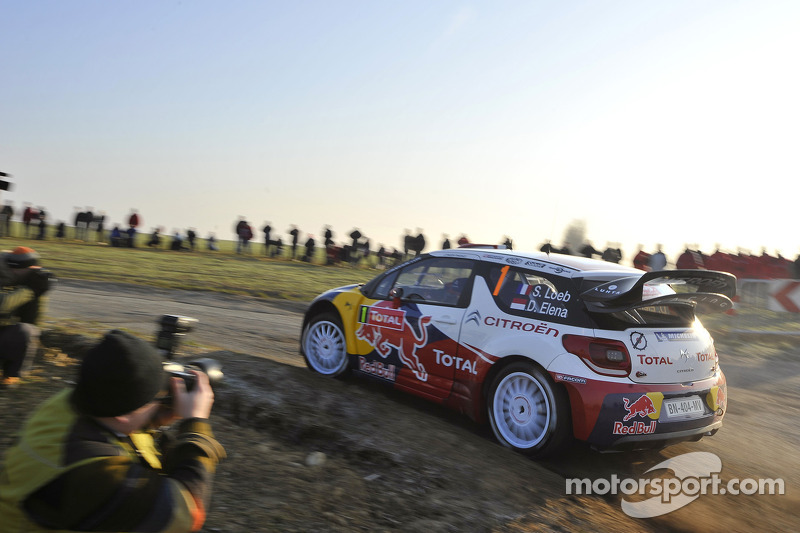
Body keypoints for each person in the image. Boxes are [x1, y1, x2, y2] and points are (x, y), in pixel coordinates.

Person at [0, 329, 226, 531]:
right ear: (124, 413)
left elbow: (123, 430)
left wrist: (153, 422)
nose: (160, 402)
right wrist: (195, 424)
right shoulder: (95, 471)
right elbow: (187, 514)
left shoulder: (75, 401)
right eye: (155, 400)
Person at [0, 247, 52, 387]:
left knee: (25, 330)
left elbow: (32, 321)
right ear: (14, 268)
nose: (33, 273)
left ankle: (10, 374)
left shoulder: (30, 279)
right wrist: (30, 291)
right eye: (29, 270)